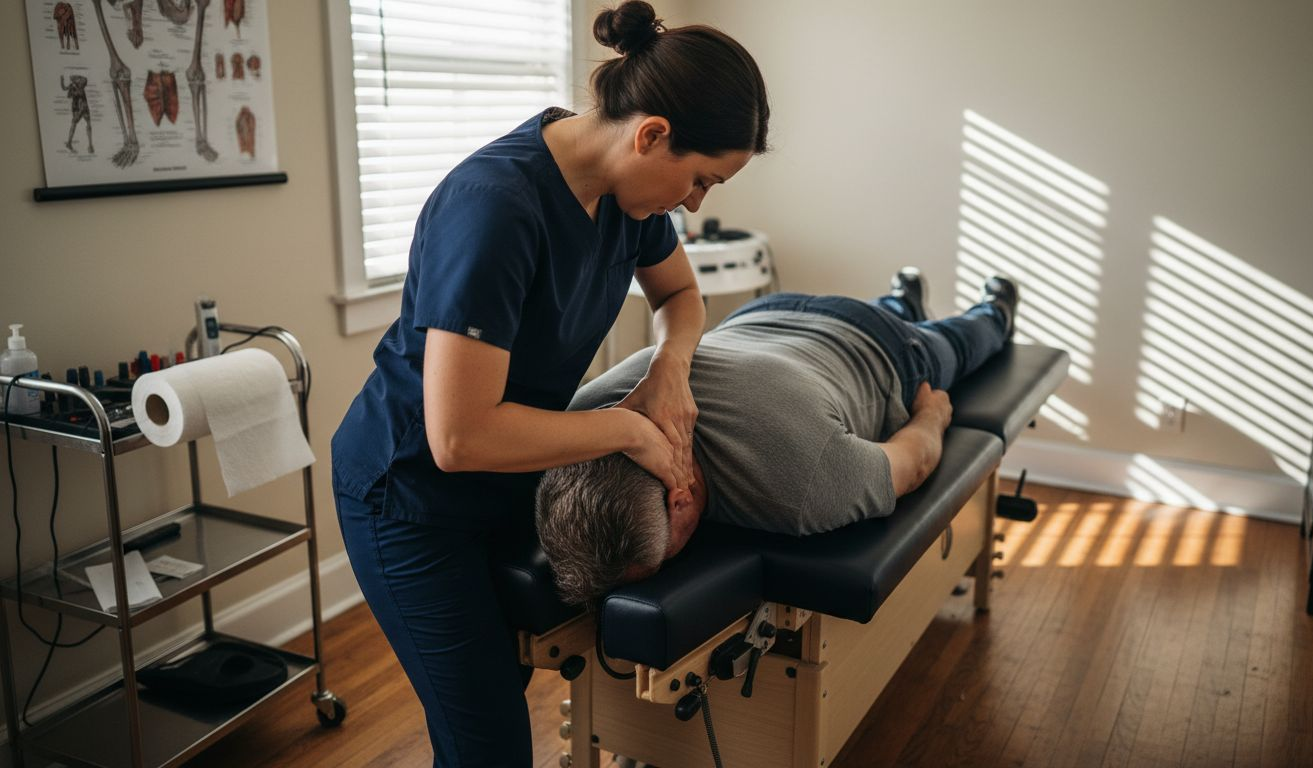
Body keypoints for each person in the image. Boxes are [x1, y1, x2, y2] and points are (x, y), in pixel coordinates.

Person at [329, 2, 770, 764]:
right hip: (408, 497)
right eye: (700, 180)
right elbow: (459, 437)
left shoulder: (626, 197)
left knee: (507, 690)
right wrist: (631, 428)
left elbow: (680, 297)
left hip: (509, 477)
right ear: (652, 134)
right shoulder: (495, 209)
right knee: (489, 739)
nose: (696, 203)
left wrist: (669, 369)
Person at [535, 272, 1020, 606]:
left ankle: (994, 309)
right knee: (897, 310)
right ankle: (903, 296)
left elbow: (911, 464)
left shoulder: (801, 483)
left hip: (885, 347)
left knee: (967, 337)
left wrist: (932, 416)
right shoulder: (575, 420)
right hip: (761, 315)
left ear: (679, 499)